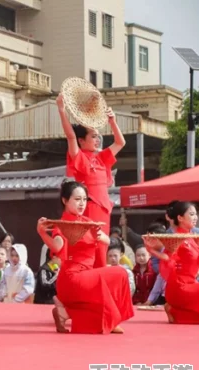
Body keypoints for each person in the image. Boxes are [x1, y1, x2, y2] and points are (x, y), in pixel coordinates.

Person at [37, 180, 134, 334]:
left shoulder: (88, 222)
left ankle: (66, 313)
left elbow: (108, 241)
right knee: (120, 273)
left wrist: (98, 236)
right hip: (73, 277)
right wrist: (42, 233)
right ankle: (111, 318)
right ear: (65, 200)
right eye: (77, 199)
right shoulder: (63, 224)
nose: (82, 203)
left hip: (85, 276)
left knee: (105, 286)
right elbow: (57, 246)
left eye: (84, 199)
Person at [57, 93, 125, 268]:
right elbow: (70, 136)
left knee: (102, 249)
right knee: (90, 249)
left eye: (98, 136)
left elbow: (120, 142)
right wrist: (61, 110)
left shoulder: (101, 158)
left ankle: (98, 282)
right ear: (82, 140)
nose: (97, 140)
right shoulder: (79, 157)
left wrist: (112, 121)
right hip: (89, 207)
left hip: (104, 209)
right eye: (93, 136)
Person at [144, 201, 199, 324]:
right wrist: (151, 250)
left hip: (191, 284)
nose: (195, 217)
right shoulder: (175, 238)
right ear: (180, 218)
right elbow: (168, 258)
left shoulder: (193, 237)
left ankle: (175, 311)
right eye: (191, 214)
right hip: (179, 286)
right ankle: (174, 308)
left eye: (196, 214)